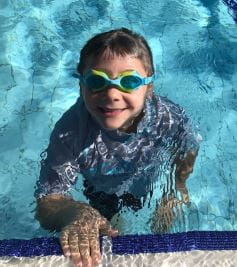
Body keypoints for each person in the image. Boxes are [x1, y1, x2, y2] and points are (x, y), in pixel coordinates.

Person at [35, 28, 201, 267]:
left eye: (130, 81)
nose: (112, 93)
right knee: (105, 231)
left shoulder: (168, 117)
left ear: (149, 87)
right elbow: (48, 200)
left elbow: (190, 144)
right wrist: (75, 212)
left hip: (146, 181)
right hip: (100, 188)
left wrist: (177, 187)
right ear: (80, 85)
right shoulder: (69, 133)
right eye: (96, 81)